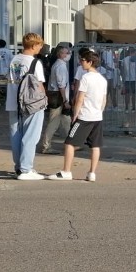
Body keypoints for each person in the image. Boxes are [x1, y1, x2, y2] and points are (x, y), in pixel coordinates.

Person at [46, 51, 107, 182]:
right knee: (95, 145)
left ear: (90, 62)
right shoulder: (102, 79)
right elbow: (104, 100)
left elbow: (80, 98)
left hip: (85, 116)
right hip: (97, 116)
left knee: (69, 143)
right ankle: (92, 173)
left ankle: (66, 171)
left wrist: (75, 114)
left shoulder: (86, 78)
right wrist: (99, 111)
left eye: (83, 60)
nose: (81, 62)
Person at [6, 32, 46, 181]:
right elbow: (39, 85)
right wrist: (44, 101)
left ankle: (19, 166)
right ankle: (26, 169)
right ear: (34, 45)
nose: (41, 48)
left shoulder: (14, 59)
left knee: (16, 135)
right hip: (31, 104)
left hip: (12, 101)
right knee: (31, 136)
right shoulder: (35, 63)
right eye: (40, 45)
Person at [39, 45, 72, 154]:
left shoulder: (58, 65)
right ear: (60, 54)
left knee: (66, 121)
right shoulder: (60, 66)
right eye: (65, 53)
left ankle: (71, 143)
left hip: (58, 96)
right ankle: (46, 145)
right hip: (58, 98)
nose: (68, 55)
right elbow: (61, 85)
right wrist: (65, 100)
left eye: (68, 53)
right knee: (54, 122)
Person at [0, 39, 13, 105]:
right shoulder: (9, 51)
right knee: (7, 86)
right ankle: (7, 101)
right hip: (7, 72)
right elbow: (12, 61)